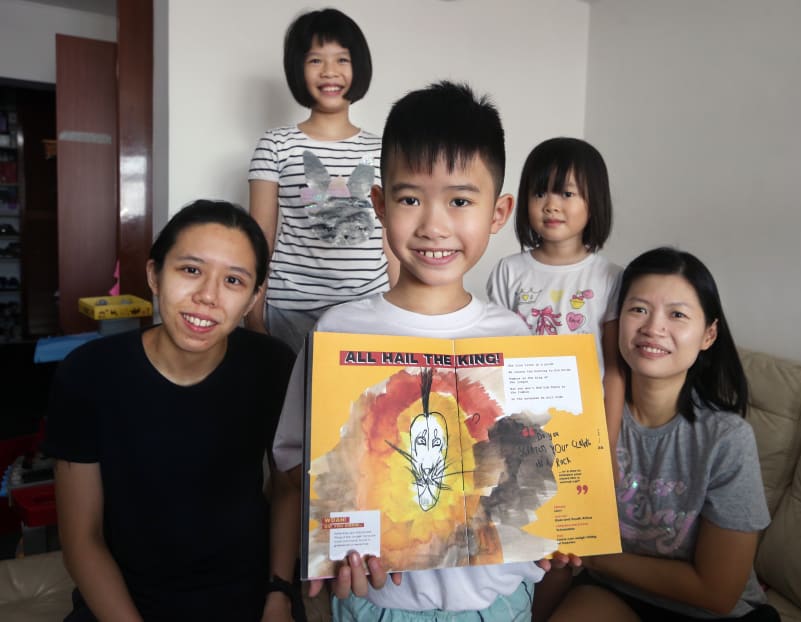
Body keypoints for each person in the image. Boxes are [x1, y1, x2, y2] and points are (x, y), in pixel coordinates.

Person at [270, 82, 577, 622]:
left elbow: (535, 470)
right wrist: (342, 522)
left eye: (460, 201)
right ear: (380, 205)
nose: (434, 225)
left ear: (498, 213)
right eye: (411, 199)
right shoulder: (339, 331)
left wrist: (564, 526)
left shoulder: (516, 337)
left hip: (500, 603)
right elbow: (296, 462)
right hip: (379, 601)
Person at [42, 200, 296, 621]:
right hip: (123, 601)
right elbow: (81, 538)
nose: (207, 297)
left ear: (253, 298)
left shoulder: (271, 365)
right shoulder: (89, 373)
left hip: (248, 597)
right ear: (154, 275)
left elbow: (287, 489)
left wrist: (279, 594)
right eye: (191, 270)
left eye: (233, 280)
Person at [546, 247, 778, 621]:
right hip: (613, 592)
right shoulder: (581, 419)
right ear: (616, 321)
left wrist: (593, 556)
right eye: (638, 309)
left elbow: (717, 592)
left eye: (677, 315)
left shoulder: (726, 439)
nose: (653, 328)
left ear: (708, 334)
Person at [247, 7, 398, 352]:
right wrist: (253, 315)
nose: (330, 71)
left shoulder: (383, 149)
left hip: (367, 311)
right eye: (316, 60)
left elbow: (392, 240)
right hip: (289, 310)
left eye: (342, 59)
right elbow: (259, 238)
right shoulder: (275, 145)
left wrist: (400, 310)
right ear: (298, 68)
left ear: (357, 67)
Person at [486, 137, 625, 460]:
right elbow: (497, 359)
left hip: (584, 424)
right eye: (539, 193)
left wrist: (610, 442)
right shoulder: (509, 271)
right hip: (521, 423)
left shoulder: (610, 277)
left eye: (566, 193)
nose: (550, 204)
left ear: (594, 200)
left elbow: (615, 370)